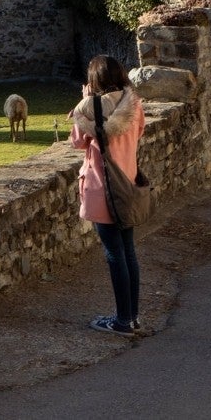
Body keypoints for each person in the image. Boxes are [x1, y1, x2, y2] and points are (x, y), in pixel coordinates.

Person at [69, 54, 145, 337]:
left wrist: (83, 102)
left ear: (94, 80)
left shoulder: (91, 107)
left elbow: (78, 141)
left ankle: (122, 321)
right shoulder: (134, 104)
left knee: (114, 254)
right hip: (127, 185)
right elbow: (139, 132)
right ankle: (132, 316)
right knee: (128, 251)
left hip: (102, 190)